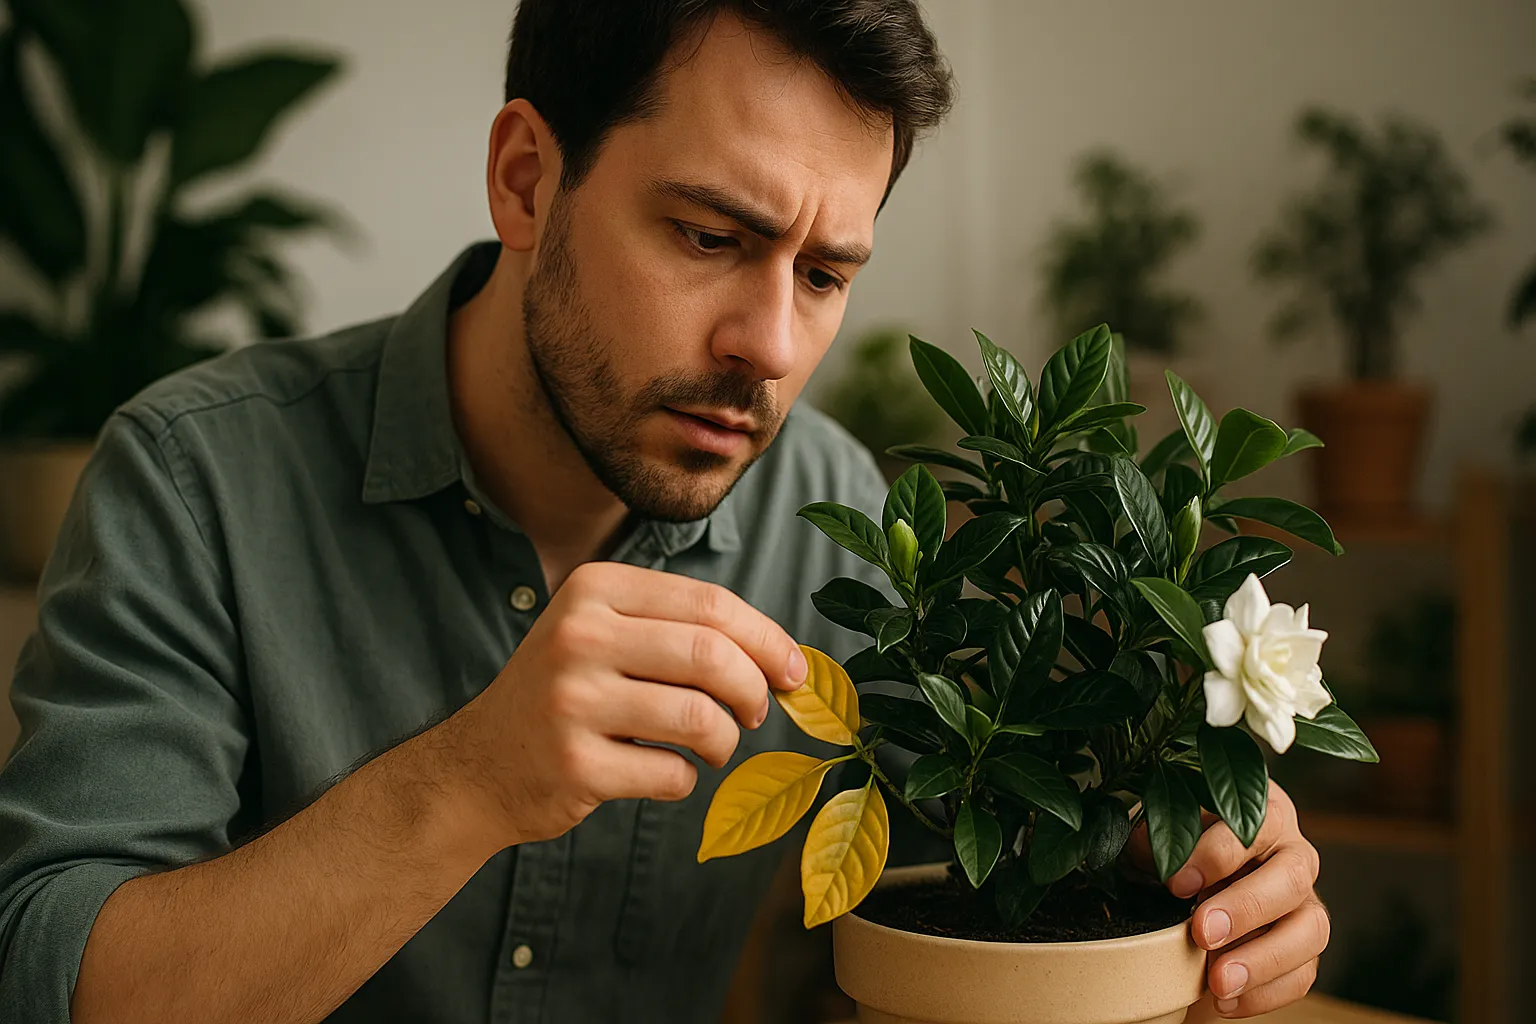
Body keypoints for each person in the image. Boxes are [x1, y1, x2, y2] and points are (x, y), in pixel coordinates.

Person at [0, 2, 1330, 1021]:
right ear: (527, 179)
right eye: (708, 237)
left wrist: (1177, 873)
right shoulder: (194, 480)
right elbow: (50, 974)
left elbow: (966, 895)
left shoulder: (837, 519)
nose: (770, 345)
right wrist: (469, 782)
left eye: (824, 274)